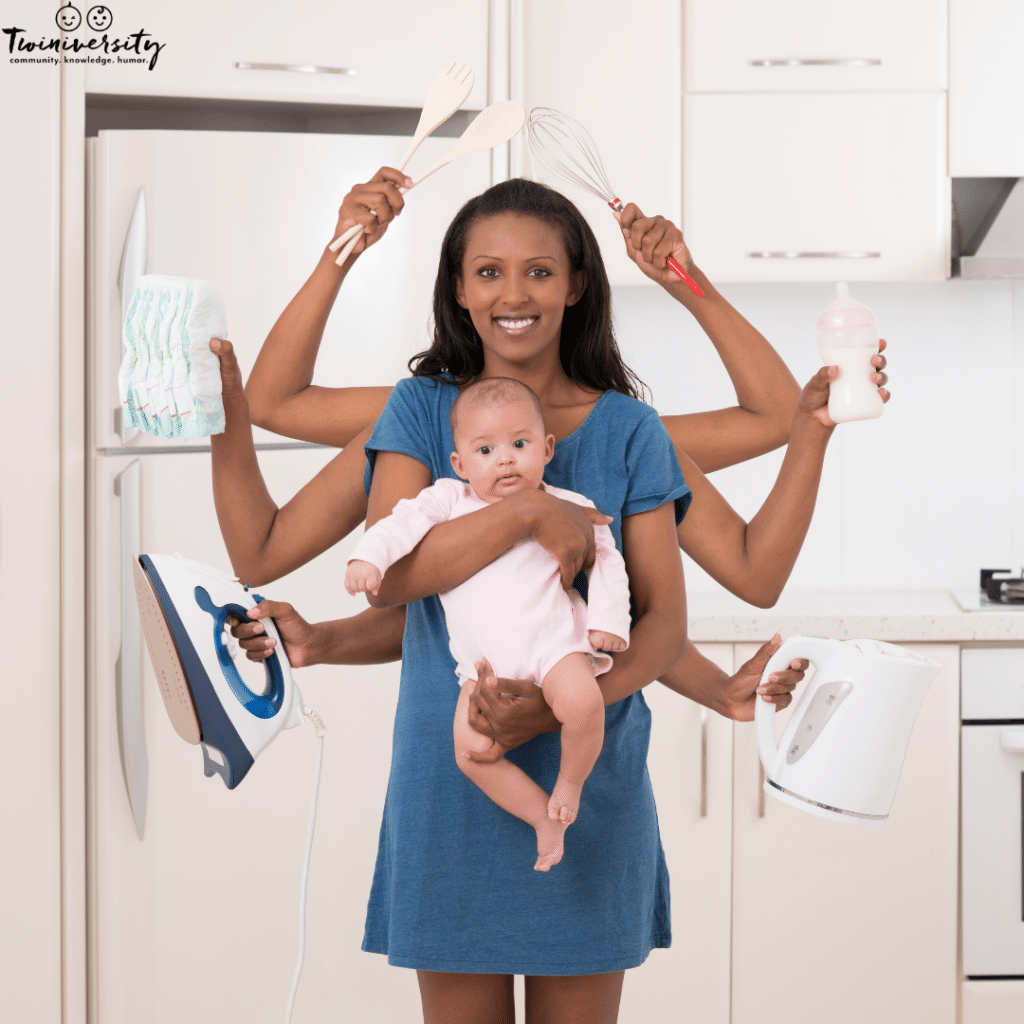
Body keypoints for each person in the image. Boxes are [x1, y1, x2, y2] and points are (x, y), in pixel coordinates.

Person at [208, 168, 890, 1024]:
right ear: (458, 289)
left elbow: (688, 598)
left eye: (539, 270)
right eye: (488, 271)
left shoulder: (628, 429)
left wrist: (697, 291)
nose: (513, 292)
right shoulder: (423, 415)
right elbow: (408, 578)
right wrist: (529, 507)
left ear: (577, 286)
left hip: (590, 790)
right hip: (448, 788)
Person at [346, 376, 632, 871]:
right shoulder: (448, 500)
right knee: (472, 752)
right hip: (481, 668)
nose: (504, 459)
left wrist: (608, 622)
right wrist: (367, 558)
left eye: (519, 445)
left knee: (584, 705)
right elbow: (400, 522)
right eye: (485, 450)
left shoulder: (571, 506)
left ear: (546, 449)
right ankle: (542, 818)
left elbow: (607, 558)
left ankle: (569, 785)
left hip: (555, 646)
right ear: (459, 464)